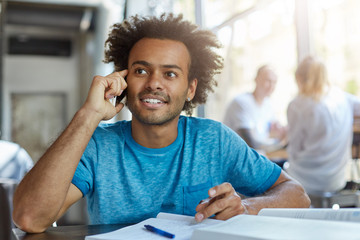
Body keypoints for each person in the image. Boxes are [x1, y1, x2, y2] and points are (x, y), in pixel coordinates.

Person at [13, 13, 310, 233]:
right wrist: (87, 115)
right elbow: (29, 217)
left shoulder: (215, 140)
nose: (154, 83)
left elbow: (297, 195)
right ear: (123, 80)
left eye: (170, 74)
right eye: (141, 70)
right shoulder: (97, 145)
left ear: (191, 89)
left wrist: (246, 207)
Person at [285, 55, 360, 195]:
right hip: (337, 179)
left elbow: (294, 149)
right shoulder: (341, 97)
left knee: (276, 172)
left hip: (305, 180)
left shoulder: (297, 105)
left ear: (300, 79)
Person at [223, 65, 287, 155]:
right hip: (238, 158)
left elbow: (274, 132)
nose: (271, 86)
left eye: (274, 82)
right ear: (256, 80)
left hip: (257, 156)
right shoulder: (242, 102)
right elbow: (251, 143)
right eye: (268, 81)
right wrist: (278, 143)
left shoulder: (267, 104)